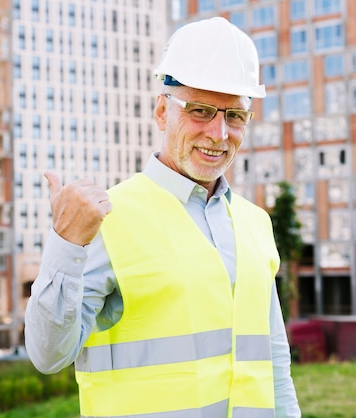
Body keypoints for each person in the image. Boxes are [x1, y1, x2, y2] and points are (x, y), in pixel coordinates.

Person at [24, 17, 301, 418]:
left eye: (235, 116)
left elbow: (274, 364)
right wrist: (65, 244)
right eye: (200, 110)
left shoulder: (255, 222)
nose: (219, 133)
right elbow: (48, 355)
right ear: (161, 112)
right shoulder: (107, 220)